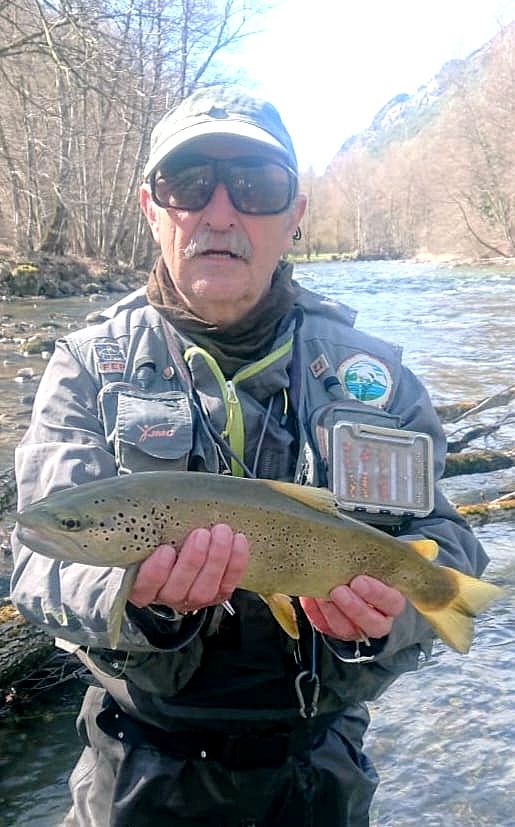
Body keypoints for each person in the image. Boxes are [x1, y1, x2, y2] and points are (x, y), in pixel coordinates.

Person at [11, 86, 488, 827]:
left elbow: (449, 542)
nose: (221, 212)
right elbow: (38, 560)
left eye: (257, 188)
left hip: (319, 769)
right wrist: (135, 603)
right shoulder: (86, 366)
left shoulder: (375, 377)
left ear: (294, 216)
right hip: (136, 771)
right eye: (189, 184)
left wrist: (391, 616)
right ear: (151, 208)